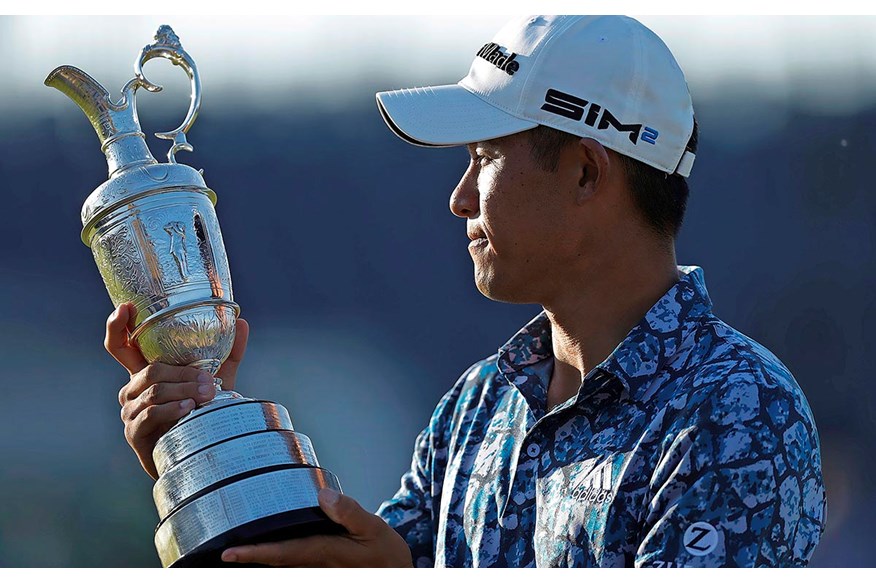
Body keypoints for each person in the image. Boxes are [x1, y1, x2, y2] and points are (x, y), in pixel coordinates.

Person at [106, 15, 827, 567]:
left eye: (483, 158)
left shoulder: (737, 412)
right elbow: (333, 565)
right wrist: (203, 445)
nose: (459, 199)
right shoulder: (479, 407)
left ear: (585, 172)